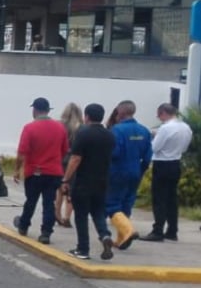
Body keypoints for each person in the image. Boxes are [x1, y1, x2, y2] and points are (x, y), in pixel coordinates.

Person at [61, 103, 116, 260]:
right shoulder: (109, 135)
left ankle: (83, 249)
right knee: (98, 211)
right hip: (102, 181)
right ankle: (104, 235)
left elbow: (76, 158)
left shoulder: (84, 134)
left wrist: (66, 178)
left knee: (81, 215)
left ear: (87, 116)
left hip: (83, 181)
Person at [12, 97, 68, 244]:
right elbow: (64, 150)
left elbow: (22, 152)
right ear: (48, 110)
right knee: (49, 202)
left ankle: (24, 225)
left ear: (35, 110)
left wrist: (17, 170)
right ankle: (46, 233)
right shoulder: (60, 128)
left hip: (34, 172)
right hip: (54, 172)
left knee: (31, 200)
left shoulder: (30, 128)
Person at [140, 103, 192, 242]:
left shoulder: (165, 128)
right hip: (176, 163)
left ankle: (157, 230)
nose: (158, 117)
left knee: (159, 199)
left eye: (159, 114)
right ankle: (172, 230)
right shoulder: (185, 127)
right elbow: (185, 148)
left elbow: (155, 147)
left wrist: (154, 137)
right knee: (171, 198)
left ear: (163, 113)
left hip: (162, 163)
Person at [106, 100, 152, 251]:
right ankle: (121, 239)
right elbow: (147, 157)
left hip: (118, 171)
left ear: (121, 112)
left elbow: (114, 153)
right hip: (135, 171)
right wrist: (140, 171)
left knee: (111, 205)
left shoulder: (117, 130)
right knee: (126, 204)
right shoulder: (144, 131)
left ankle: (128, 231)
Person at [56, 103, 84, 228]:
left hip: (61, 158)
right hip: (74, 159)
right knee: (72, 188)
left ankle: (57, 213)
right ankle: (67, 216)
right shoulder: (81, 128)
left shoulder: (59, 125)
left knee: (60, 188)